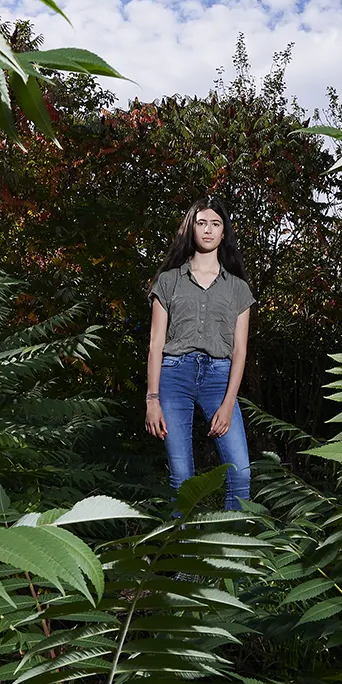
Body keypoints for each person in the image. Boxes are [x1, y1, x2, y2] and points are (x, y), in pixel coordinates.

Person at [144, 199, 254, 510]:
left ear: (224, 234)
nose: (208, 229)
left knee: (241, 473)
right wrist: (152, 399)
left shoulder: (238, 288)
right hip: (174, 375)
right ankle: (180, 551)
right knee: (182, 477)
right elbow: (155, 343)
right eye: (201, 223)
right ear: (191, 229)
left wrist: (229, 401)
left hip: (220, 378)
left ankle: (232, 546)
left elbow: (240, 350)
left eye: (215, 224)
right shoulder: (168, 281)